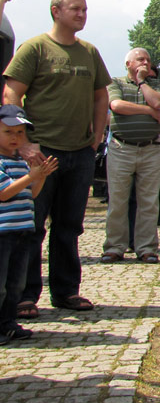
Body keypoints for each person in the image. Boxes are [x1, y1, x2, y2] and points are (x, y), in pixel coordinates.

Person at [4, 0, 111, 317]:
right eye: (75, 9)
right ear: (56, 11)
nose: (81, 14)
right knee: (32, 227)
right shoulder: (35, 48)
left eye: (85, 10)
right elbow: (11, 94)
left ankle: (66, 291)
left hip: (79, 152)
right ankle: (24, 295)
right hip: (42, 153)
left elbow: (100, 97)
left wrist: (96, 135)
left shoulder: (89, 52)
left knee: (69, 226)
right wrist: (23, 144)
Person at [101, 48, 160, 264]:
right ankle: (114, 246)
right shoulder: (115, 82)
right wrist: (148, 112)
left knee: (148, 201)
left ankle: (146, 247)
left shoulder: (154, 84)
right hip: (122, 148)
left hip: (150, 148)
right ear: (128, 63)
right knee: (118, 200)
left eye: (148, 59)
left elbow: (157, 102)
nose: (146, 63)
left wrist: (142, 83)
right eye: (140, 59)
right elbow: (117, 106)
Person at [0, 105, 58, 344]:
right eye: (8, 132)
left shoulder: (21, 162)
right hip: (3, 234)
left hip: (22, 232)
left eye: (20, 133)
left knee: (16, 283)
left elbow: (31, 194)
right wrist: (31, 176)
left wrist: (40, 176)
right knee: (0, 284)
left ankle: (8, 323)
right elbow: (4, 193)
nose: (15, 138)